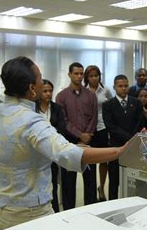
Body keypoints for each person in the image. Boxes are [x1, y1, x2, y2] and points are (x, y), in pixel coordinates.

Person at [0, 56, 127, 230]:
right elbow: (68, 155)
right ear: (32, 89)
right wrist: (120, 151)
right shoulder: (31, 121)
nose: (43, 83)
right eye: (40, 78)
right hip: (26, 215)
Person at [55, 62, 98, 209]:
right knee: (68, 182)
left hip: (89, 142)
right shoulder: (61, 96)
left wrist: (87, 135)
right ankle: (69, 212)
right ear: (69, 74)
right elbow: (64, 121)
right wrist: (80, 135)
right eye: (76, 73)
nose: (79, 76)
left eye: (81, 74)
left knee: (91, 181)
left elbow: (94, 117)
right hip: (70, 143)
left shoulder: (91, 96)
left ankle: (91, 210)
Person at [36, 79, 78, 212]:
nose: (48, 94)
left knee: (55, 181)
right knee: (45, 183)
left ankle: (60, 210)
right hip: (38, 151)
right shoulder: (32, 108)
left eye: (50, 91)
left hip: (54, 147)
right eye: (45, 91)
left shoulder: (56, 108)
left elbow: (62, 127)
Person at [103, 75, 144, 200]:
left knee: (133, 178)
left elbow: (140, 122)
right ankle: (112, 204)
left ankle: (133, 202)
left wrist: (132, 139)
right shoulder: (108, 105)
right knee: (114, 180)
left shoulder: (136, 102)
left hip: (134, 146)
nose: (123, 88)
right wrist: (128, 138)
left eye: (126, 86)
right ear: (114, 87)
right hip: (116, 146)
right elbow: (110, 126)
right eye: (120, 86)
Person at [84, 65, 113, 202]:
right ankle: (90, 190)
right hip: (88, 129)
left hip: (102, 127)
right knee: (91, 161)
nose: (94, 78)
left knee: (103, 160)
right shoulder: (83, 91)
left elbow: (112, 106)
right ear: (87, 78)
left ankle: (101, 187)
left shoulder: (105, 90)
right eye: (91, 76)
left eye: (96, 75)